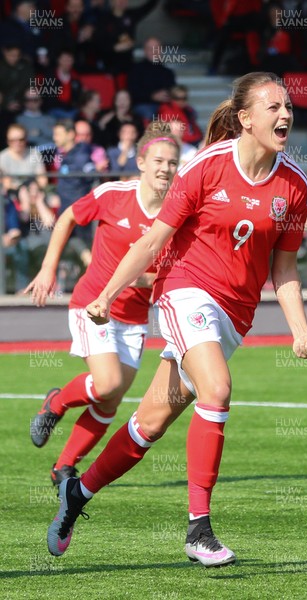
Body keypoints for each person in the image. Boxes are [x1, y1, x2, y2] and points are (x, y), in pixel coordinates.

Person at [44, 72, 307, 567]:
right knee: (216, 389)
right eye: (273, 107)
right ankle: (199, 529)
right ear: (245, 118)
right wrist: (107, 294)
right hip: (184, 291)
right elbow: (151, 241)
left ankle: (78, 494)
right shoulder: (204, 167)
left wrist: (300, 331)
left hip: (235, 313)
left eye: (288, 107)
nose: (285, 115)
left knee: (150, 423)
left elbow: (285, 267)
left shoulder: (295, 186)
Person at [26, 123, 181, 486]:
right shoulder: (113, 194)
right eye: (158, 160)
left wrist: (147, 280)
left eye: (172, 163)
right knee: (108, 383)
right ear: (141, 162)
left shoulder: (178, 213)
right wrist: (48, 269)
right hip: (92, 305)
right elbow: (67, 217)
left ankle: (62, 467)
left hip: (135, 318)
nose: (165, 168)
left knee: (110, 402)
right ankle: (56, 403)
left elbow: (162, 273)